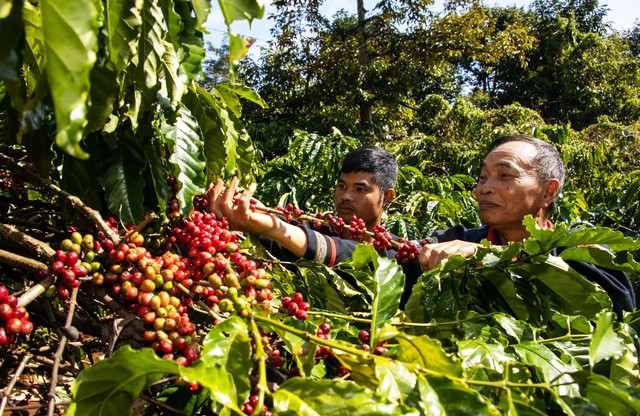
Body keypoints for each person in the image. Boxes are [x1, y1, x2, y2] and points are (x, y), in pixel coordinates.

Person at [418, 135, 636, 314]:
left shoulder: (578, 250)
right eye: (483, 177)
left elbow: (617, 306)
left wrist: (488, 255)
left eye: (504, 175)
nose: (484, 188)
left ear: (548, 191)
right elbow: (400, 254)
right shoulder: (459, 240)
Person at [208, 146, 422, 307]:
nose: (346, 196)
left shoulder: (397, 257)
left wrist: (276, 228)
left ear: (387, 197)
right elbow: (269, 237)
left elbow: (356, 256)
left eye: (359, 189)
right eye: (341, 186)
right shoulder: (311, 229)